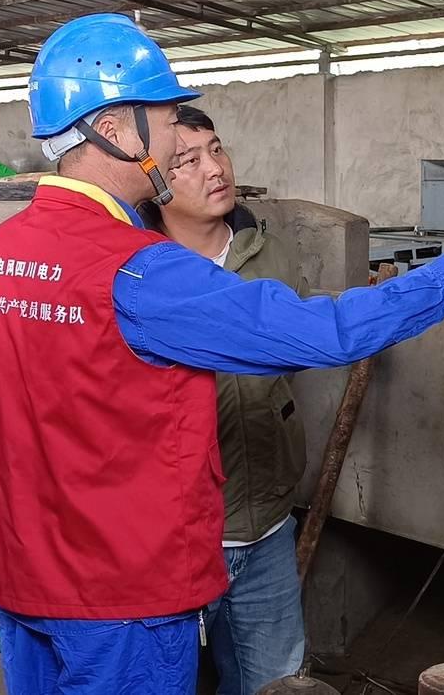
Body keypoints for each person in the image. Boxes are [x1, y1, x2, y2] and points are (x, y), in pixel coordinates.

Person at [0, 13, 444, 695]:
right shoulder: (139, 271)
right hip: (124, 603)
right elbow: (321, 331)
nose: (174, 133)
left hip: (24, 588)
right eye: (161, 114)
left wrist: (5, 567)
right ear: (114, 129)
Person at [141, 105, 307, 694]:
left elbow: (296, 358)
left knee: (276, 679)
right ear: (155, 176)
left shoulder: (270, 252)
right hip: (175, 537)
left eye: (218, 149)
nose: (215, 169)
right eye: (188, 160)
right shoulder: (137, 271)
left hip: (267, 527)